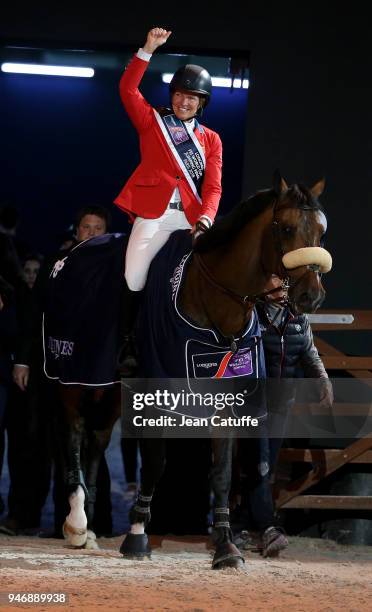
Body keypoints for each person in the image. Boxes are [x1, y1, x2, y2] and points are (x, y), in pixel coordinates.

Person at [114, 27, 223, 360]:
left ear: (201, 102)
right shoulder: (153, 121)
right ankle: (128, 342)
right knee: (133, 276)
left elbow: (213, 187)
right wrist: (147, 49)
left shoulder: (211, 140)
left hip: (191, 219)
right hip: (154, 214)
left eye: (191, 97)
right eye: (178, 94)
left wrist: (206, 218)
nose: (183, 101)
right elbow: (127, 88)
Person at [232, 274, 333, 557]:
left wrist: (323, 380)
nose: (280, 287)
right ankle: (267, 528)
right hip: (253, 402)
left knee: (264, 466)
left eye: (284, 282)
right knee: (259, 464)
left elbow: (310, 353)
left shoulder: (297, 317)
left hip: (281, 402)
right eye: (274, 280)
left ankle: (240, 525)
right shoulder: (251, 314)